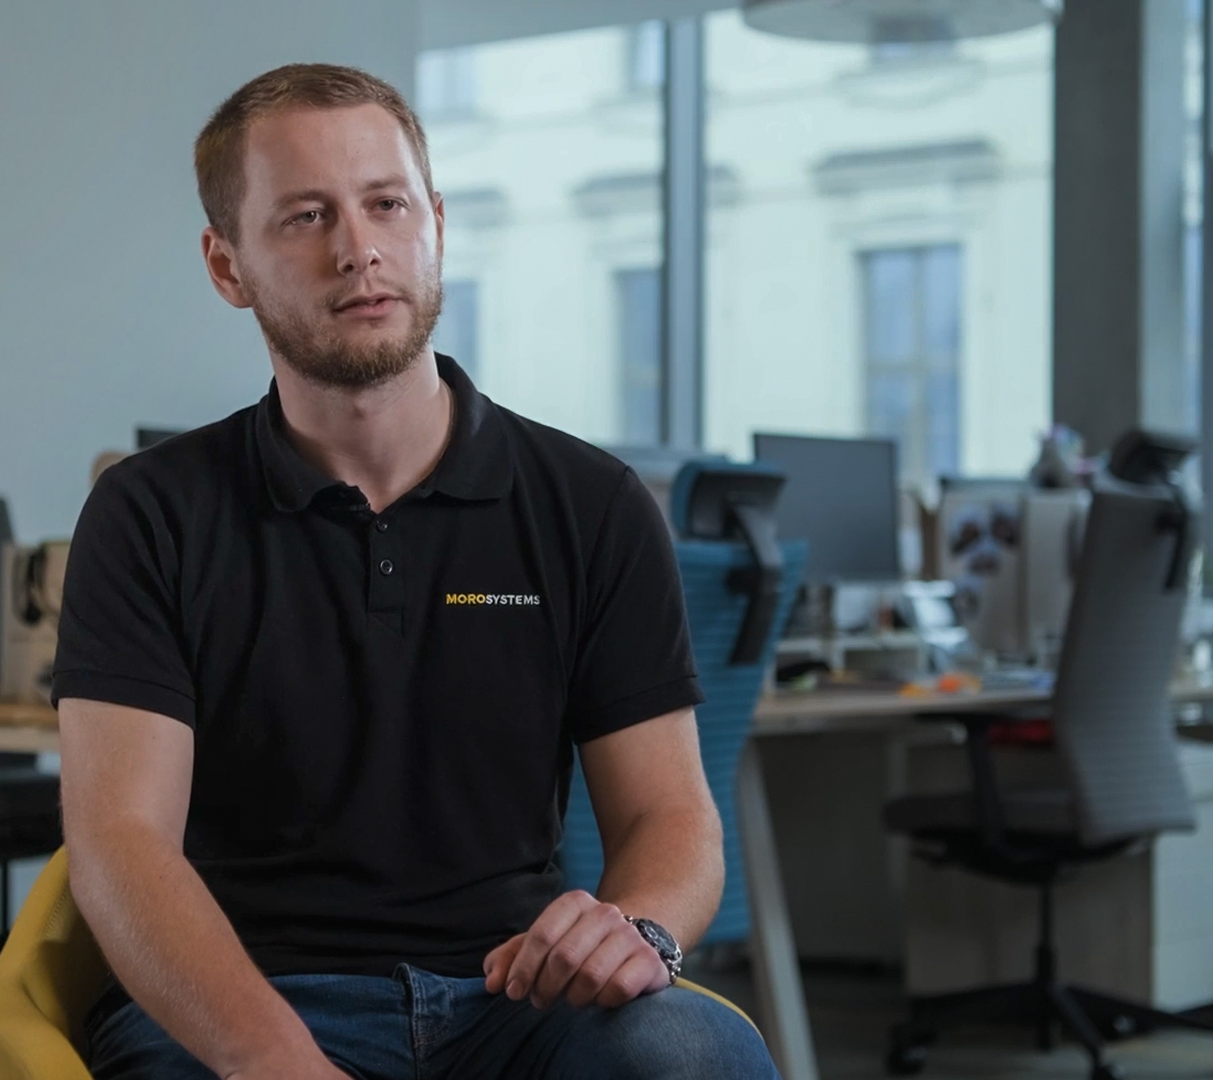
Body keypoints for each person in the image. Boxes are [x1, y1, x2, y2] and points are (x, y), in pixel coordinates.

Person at [52, 62, 781, 1080]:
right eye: (306, 216)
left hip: (518, 1001)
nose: (358, 249)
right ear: (228, 267)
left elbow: (672, 816)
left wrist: (639, 930)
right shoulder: (148, 515)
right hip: (253, 998)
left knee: (699, 1053)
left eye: (386, 204)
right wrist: (273, 1058)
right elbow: (121, 843)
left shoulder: (593, 504)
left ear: (435, 223)